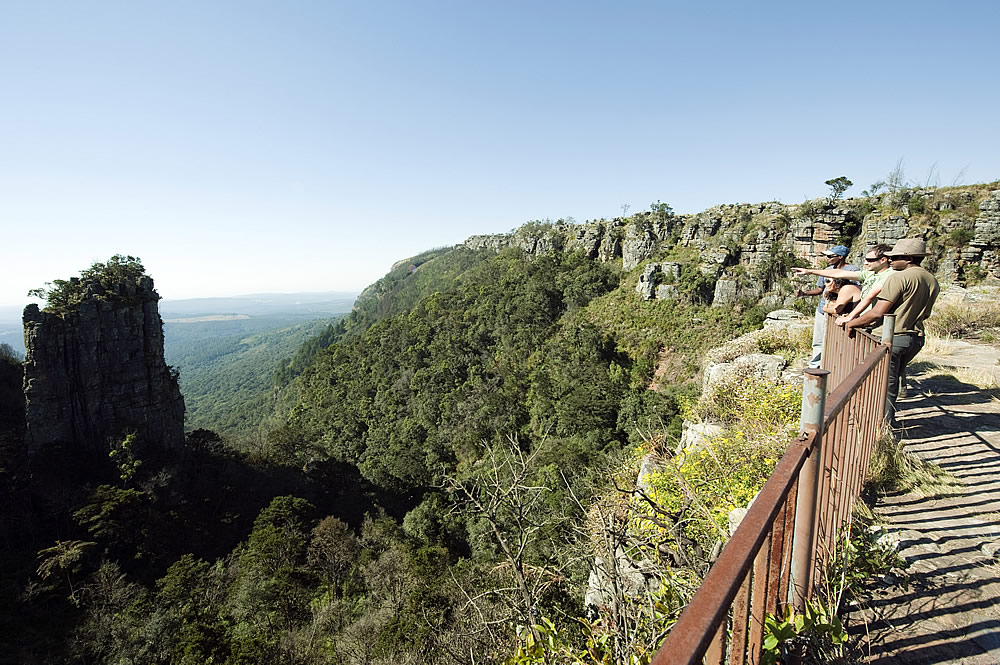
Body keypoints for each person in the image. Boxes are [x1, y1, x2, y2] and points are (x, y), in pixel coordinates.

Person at [845, 238, 939, 430]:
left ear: (908, 258)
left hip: (893, 337)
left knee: (884, 385)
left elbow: (878, 312)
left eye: (894, 257)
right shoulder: (931, 279)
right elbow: (926, 312)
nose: (890, 260)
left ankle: (883, 428)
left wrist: (852, 323)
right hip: (915, 338)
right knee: (893, 380)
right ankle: (882, 421)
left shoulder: (899, 278)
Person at [794, 245, 859, 368]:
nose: (827, 258)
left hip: (840, 312)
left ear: (840, 257)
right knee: (819, 340)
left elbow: (855, 290)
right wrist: (804, 293)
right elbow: (820, 289)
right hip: (822, 310)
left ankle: (834, 365)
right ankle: (815, 366)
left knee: (837, 340)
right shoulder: (827, 270)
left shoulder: (852, 271)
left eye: (830, 256)